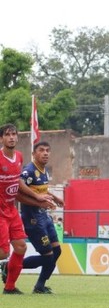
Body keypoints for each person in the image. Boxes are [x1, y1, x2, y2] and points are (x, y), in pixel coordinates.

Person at [0, 124, 54, 294]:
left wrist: (37, 197)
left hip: (11, 210)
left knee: (21, 248)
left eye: (14, 134)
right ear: (1, 138)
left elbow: (18, 183)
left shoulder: (18, 157)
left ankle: (9, 287)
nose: (11, 137)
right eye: (7, 135)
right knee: (3, 253)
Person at [19, 141, 64, 294]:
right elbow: (19, 185)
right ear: (34, 153)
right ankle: (11, 266)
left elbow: (42, 189)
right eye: (41, 150)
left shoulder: (44, 170)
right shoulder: (29, 170)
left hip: (44, 217)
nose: (45, 153)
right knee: (48, 257)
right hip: (33, 219)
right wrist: (37, 198)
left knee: (57, 251)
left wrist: (55, 198)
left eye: (47, 151)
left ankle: (40, 285)